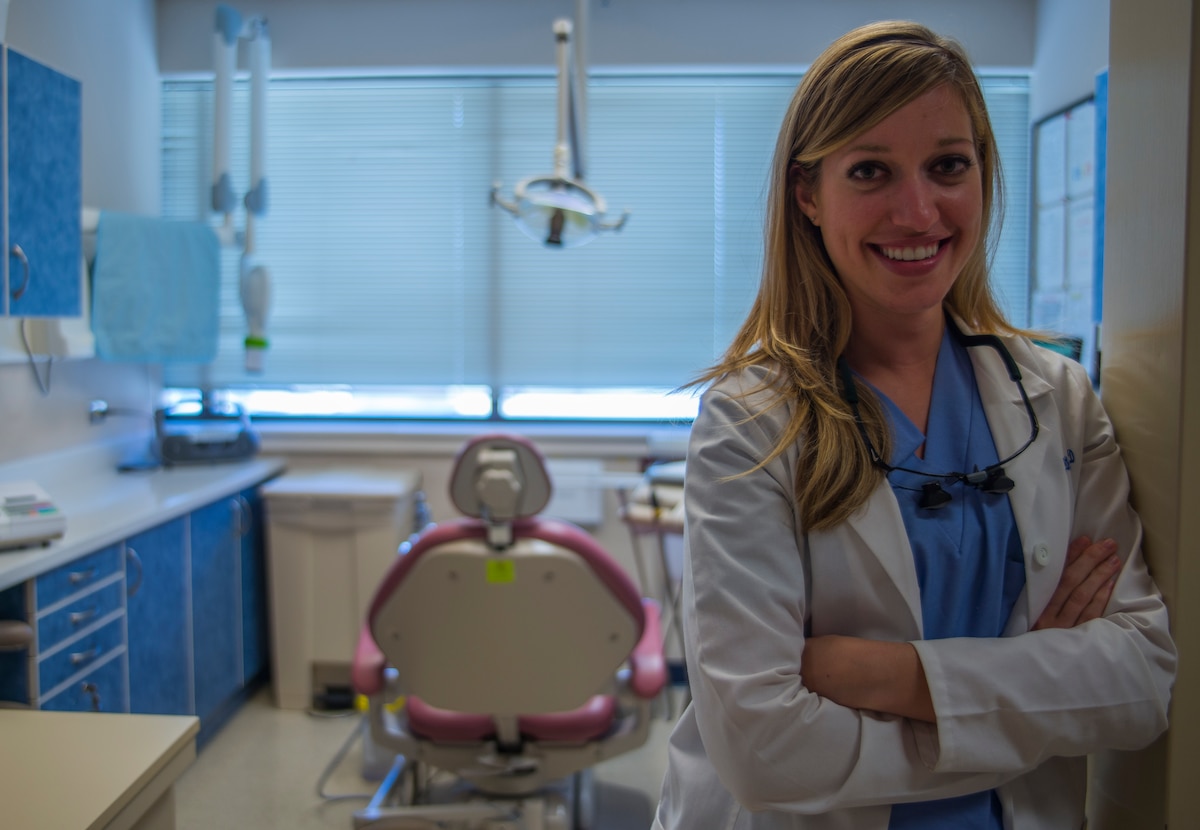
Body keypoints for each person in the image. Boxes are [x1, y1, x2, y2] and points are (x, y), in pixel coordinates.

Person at [652, 20, 1176, 830]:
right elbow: (765, 752)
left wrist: (888, 677)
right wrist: (1034, 695)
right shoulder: (752, 422)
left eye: (948, 167)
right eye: (870, 170)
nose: (917, 209)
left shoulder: (1058, 400)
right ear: (807, 194)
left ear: (982, 177)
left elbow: (1140, 681)